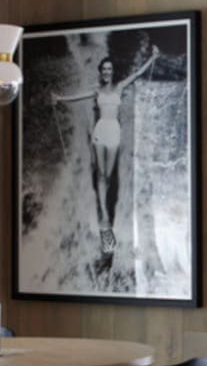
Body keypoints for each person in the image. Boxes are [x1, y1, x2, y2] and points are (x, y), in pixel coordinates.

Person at [52, 44, 160, 254]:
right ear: (101, 72)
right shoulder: (96, 90)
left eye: (110, 69)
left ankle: (104, 218)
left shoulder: (120, 87)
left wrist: (153, 58)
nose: (107, 72)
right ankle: (104, 219)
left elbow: (138, 74)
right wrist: (59, 98)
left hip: (114, 133)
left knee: (108, 177)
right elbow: (78, 96)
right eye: (104, 69)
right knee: (101, 174)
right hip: (100, 131)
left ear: (113, 72)